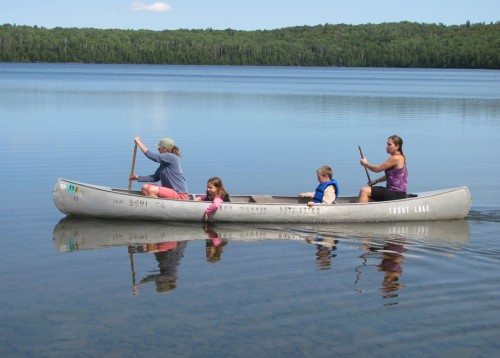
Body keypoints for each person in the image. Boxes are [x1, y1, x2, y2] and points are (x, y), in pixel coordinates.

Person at [358, 135, 408, 203]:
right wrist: (376, 181)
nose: (386, 146)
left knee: (364, 191)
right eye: (387, 144)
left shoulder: (396, 158)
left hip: (396, 194)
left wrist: (365, 164)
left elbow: (377, 169)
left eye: (389, 145)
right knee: (367, 190)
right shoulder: (399, 157)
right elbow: (391, 176)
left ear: (397, 146)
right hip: (393, 192)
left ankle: (361, 212)